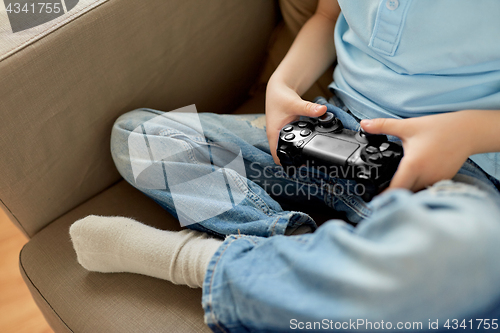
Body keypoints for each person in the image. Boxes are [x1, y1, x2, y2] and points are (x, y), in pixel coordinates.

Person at [69, 0, 500, 331]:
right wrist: (283, 83)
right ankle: (295, 245)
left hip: (452, 166)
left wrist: (464, 132)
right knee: (139, 136)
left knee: (477, 257)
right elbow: (328, 15)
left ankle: (193, 261)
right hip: (326, 127)